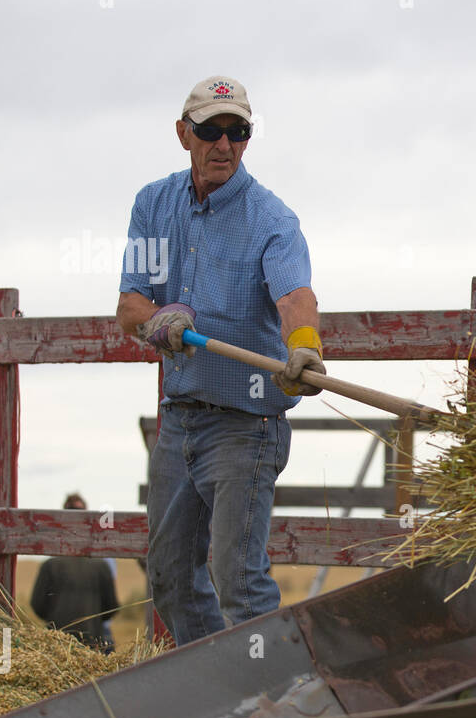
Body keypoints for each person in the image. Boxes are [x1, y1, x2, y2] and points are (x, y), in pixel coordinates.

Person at [115, 76, 324, 646]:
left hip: (245, 424)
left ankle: (276, 701)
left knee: (238, 581)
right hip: (179, 418)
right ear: (184, 134)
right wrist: (157, 318)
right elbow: (130, 305)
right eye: (211, 131)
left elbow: (294, 297)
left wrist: (303, 344)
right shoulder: (152, 206)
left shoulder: (272, 221)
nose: (224, 145)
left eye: (238, 132)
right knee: (171, 580)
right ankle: (213, 692)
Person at [30, 494, 120, 652]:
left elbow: (37, 604)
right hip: (95, 641)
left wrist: (56, 621)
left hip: (57, 643)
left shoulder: (50, 566)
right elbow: (111, 607)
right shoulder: (102, 564)